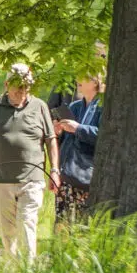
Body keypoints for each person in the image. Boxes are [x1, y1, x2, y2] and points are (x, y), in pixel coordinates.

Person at [0, 63, 60, 260]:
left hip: (32, 178)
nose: (22, 90)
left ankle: (27, 270)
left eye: (26, 85)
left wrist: (55, 169)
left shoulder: (39, 106)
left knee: (26, 222)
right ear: (6, 84)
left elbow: (50, 139)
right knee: (7, 229)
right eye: (17, 85)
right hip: (1, 179)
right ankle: (12, 267)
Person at [54, 72, 101, 219]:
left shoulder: (103, 107)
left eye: (83, 77)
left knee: (82, 222)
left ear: (95, 82)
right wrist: (59, 131)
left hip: (87, 173)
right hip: (67, 173)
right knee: (62, 220)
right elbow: (66, 140)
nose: (78, 80)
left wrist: (78, 128)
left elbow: (104, 136)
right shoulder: (75, 106)